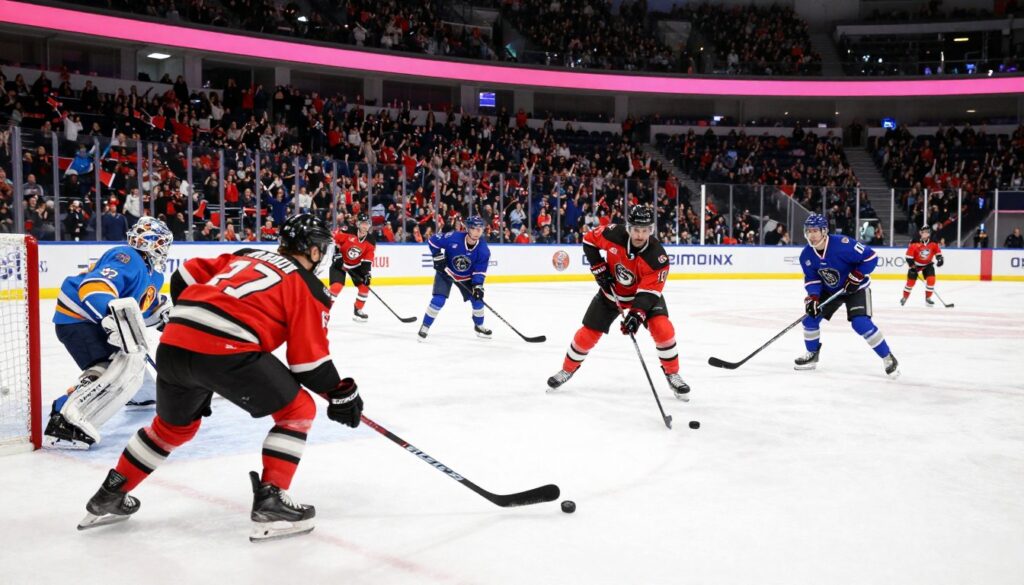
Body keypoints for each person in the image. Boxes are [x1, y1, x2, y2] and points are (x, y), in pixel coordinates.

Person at [78, 214, 364, 542]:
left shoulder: (245, 254)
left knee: (172, 428)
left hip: (174, 343)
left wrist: (199, 314)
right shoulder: (309, 287)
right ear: (313, 252)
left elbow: (184, 275)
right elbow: (308, 364)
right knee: (298, 410)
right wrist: (341, 394)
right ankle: (272, 499)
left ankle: (110, 493)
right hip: (226, 349)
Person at [45, 217, 174, 449]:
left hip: (99, 322)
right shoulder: (126, 256)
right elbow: (94, 288)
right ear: (149, 242)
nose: (164, 248)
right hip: (78, 319)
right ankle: (64, 418)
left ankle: (140, 396)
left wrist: (164, 315)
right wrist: (109, 318)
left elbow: (141, 310)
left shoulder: (154, 275)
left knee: (132, 363)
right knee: (108, 368)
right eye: (161, 242)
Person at [547, 205, 689, 398]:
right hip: (611, 294)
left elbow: (648, 293)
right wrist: (598, 267)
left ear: (651, 230)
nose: (640, 235)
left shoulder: (657, 257)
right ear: (628, 228)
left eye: (645, 230)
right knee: (587, 334)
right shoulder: (613, 234)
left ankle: (673, 374)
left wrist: (636, 316)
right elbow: (588, 240)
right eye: (636, 230)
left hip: (643, 297)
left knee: (663, 329)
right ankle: (567, 370)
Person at [796, 214, 899, 378]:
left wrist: (857, 275)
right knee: (810, 319)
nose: (812, 235)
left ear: (824, 231)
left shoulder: (843, 244)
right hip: (831, 290)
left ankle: (888, 357)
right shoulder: (806, 255)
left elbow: (871, 257)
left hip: (855, 288)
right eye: (809, 231)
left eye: (815, 231)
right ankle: (812, 354)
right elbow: (812, 278)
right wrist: (813, 298)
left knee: (860, 323)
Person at [418, 215, 491, 341]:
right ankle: (425, 326)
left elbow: (479, 271)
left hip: (466, 278)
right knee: (438, 300)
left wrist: (478, 286)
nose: (478, 232)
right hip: (446, 272)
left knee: (478, 301)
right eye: (475, 228)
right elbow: (433, 241)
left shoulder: (483, 250)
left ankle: (479, 326)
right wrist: (437, 256)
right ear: (468, 228)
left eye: (481, 228)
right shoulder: (453, 237)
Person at [329, 213, 376, 322]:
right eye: (363, 224)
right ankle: (323, 309)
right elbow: (332, 240)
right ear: (358, 224)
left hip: (356, 265)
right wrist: (336, 254)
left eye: (367, 224)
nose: (365, 227)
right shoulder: (348, 231)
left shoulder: (371, 240)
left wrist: (366, 273)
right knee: (336, 287)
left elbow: (368, 259)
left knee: (364, 286)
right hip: (339, 263)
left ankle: (358, 310)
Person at [901, 225, 943, 307]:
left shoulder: (933, 243)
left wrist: (940, 259)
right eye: (924, 232)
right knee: (910, 283)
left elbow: (938, 252)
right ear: (921, 233)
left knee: (931, 280)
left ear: (929, 234)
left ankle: (928, 299)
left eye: (927, 232)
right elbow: (908, 257)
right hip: (915, 265)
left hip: (927, 265)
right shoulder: (914, 243)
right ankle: (904, 297)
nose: (925, 234)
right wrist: (912, 266)